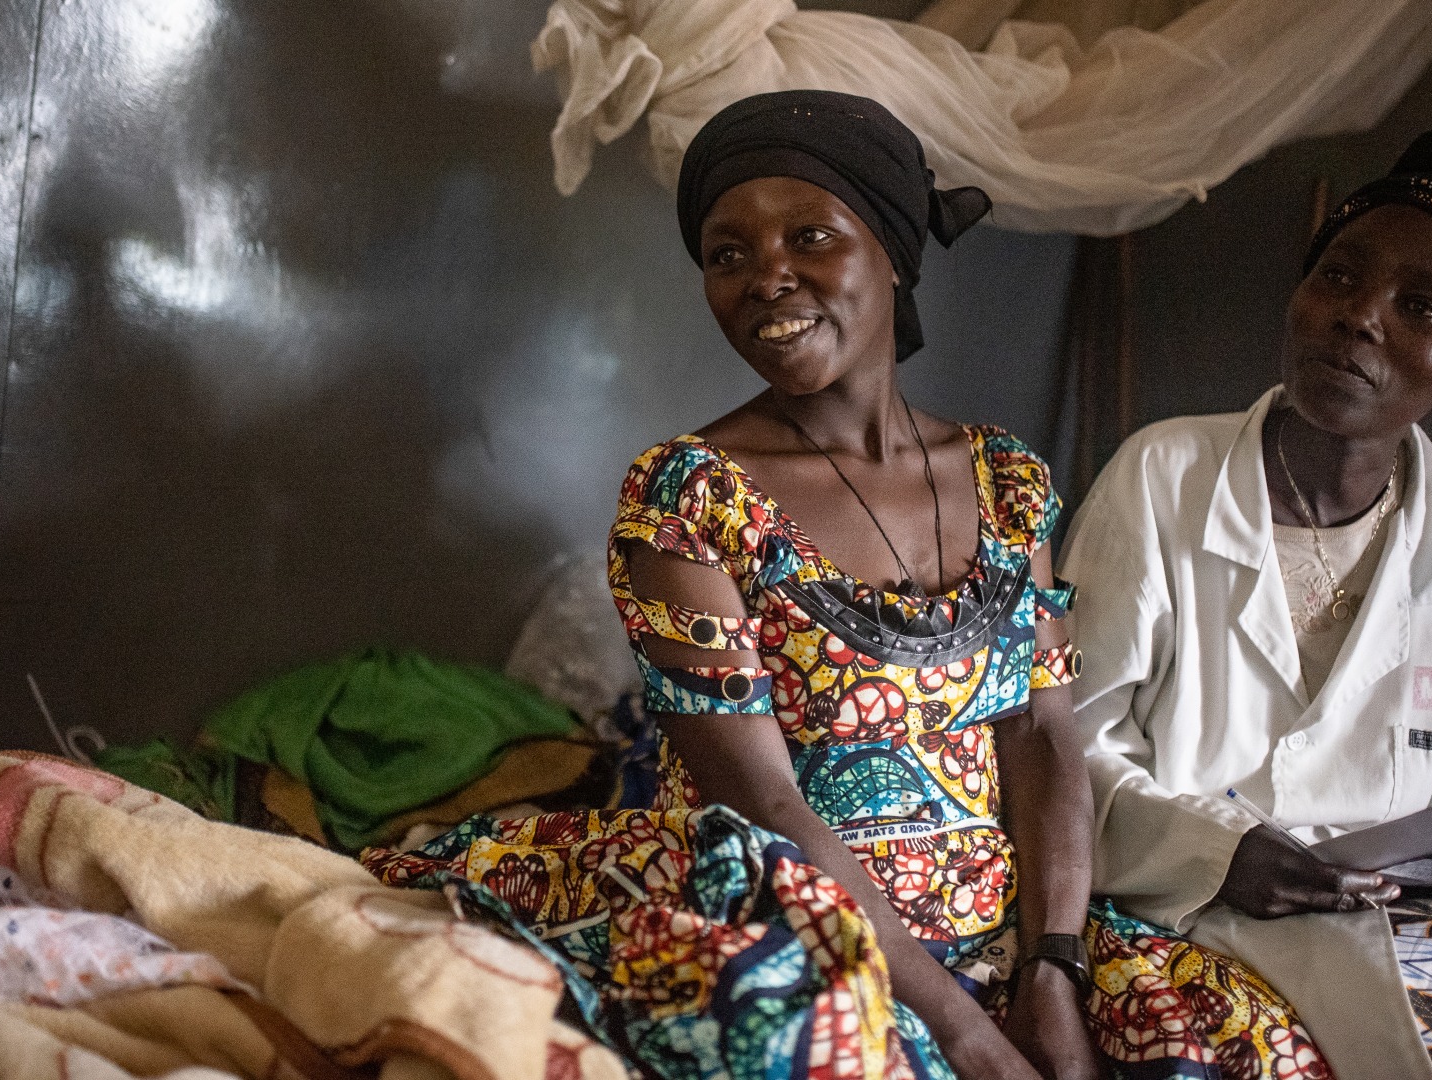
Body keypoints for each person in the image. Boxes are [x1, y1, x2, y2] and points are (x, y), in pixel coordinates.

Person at [444, 89, 1322, 1080]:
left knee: (1246, 1046)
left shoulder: (1009, 480)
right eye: (727, 254)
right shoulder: (688, 501)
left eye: (808, 236)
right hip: (791, 922)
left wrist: (1052, 972)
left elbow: (1044, 734)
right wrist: (966, 1035)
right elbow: (766, 801)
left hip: (1012, 934)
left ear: (896, 254)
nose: (766, 278)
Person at [1061, 131, 1432, 1080]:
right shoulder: (1163, 473)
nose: (1359, 319)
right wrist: (1216, 851)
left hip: (1392, 907)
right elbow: (1064, 744)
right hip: (1183, 901)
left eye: (1418, 307)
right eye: (1339, 278)